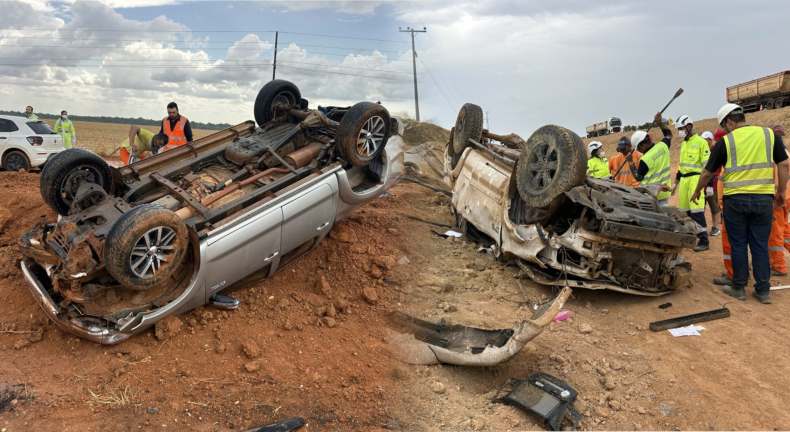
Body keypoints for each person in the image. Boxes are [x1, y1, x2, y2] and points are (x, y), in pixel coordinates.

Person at [691, 103, 790, 304]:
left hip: (736, 201)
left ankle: (739, 287)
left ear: (728, 121)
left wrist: (696, 191)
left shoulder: (726, 141)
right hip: (764, 200)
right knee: (760, 245)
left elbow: (707, 173)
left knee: (738, 244)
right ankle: (763, 291)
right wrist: (781, 191)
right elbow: (784, 163)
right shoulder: (768, 135)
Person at [672, 115, 710, 252]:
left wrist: (707, 185)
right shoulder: (684, 143)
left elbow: (708, 166)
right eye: (678, 129)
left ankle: (704, 240)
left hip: (695, 179)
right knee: (684, 212)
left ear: (689, 127)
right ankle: (689, 238)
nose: (679, 132)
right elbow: (681, 167)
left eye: (681, 128)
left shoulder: (701, 142)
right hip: (684, 180)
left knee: (697, 211)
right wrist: (675, 184)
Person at [628, 112, 673, 206]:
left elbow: (638, 177)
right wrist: (660, 123)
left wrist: (630, 162)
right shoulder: (663, 146)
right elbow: (668, 135)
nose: (639, 151)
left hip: (650, 197)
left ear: (643, 145)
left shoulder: (645, 160)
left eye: (639, 148)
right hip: (664, 194)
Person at [768, 124, 789, 276]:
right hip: (788, 197)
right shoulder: (786, 152)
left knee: (775, 232)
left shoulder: (774, 155)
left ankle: (778, 266)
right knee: (785, 229)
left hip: (779, 198)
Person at [701, 131, 722, 236]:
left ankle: (715, 227)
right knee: (701, 208)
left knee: (714, 207)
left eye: (705, 139)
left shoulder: (716, 151)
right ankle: (701, 227)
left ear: (710, 140)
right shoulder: (701, 150)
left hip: (713, 185)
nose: (703, 141)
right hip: (702, 184)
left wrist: (720, 175)